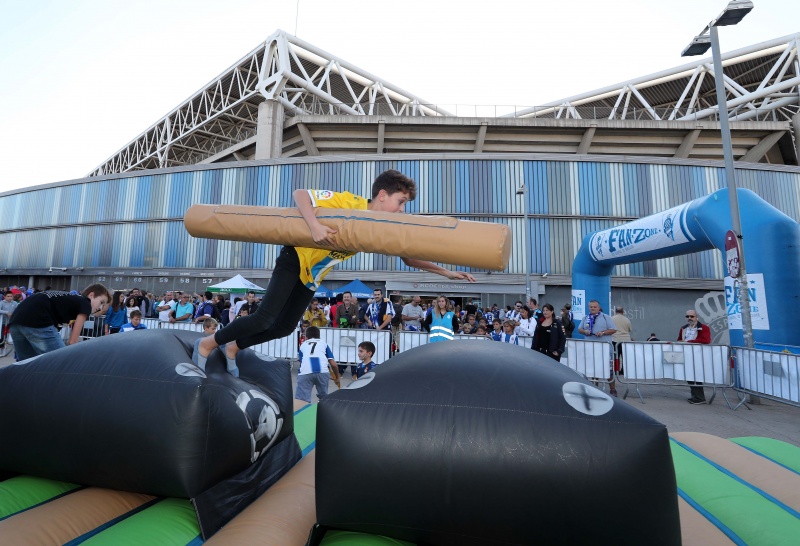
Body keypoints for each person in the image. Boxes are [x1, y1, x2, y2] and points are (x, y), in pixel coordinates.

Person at [194, 171, 476, 375]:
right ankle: (207, 343)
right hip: (296, 257)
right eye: (400, 201)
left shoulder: (380, 228)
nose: (402, 209)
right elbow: (300, 194)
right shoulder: (350, 203)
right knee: (265, 317)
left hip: (312, 276)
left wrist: (446, 273)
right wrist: (314, 225)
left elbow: (408, 257)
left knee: (285, 327)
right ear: (382, 195)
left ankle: (233, 348)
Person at [8, 284, 110, 361]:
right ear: (91, 295)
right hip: (38, 319)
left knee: (26, 364)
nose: (100, 308)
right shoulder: (85, 303)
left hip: (16, 320)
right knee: (61, 361)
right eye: (101, 302)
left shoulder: (69, 300)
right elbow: (72, 341)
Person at [576, 299, 618, 396]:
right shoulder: (585, 317)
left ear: (598, 308)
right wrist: (585, 331)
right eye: (591, 307)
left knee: (608, 369)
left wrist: (603, 332)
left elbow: (613, 329)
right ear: (588, 307)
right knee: (592, 369)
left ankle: (613, 389)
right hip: (590, 348)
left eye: (595, 307)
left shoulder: (605, 317)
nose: (593, 308)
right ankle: (594, 388)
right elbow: (579, 329)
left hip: (604, 348)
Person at [296, 326, 339, 403]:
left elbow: (302, 362)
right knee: (323, 397)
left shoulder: (303, 345)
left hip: (306, 372)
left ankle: (303, 412)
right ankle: (323, 411)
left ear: (306, 337)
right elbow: (333, 364)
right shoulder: (324, 344)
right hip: (323, 372)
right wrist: (337, 378)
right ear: (319, 336)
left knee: (302, 400)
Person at [679, 309, 711, 404]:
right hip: (687, 355)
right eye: (687, 316)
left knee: (697, 375)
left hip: (699, 355)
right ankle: (695, 396)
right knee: (689, 376)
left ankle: (700, 397)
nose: (689, 318)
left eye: (692, 316)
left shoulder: (704, 327)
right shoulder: (683, 328)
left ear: (697, 317)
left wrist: (688, 342)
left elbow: (705, 340)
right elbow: (680, 340)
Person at [611, 306, 633, 375]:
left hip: (615, 339)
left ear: (615, 311)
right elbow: (630, 330)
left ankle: (615, 370)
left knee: (615, 356)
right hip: (625, 340)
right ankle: (623, 371)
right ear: (623, 312)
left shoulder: (612, 319)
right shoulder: (627, 320)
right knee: (624, 357)